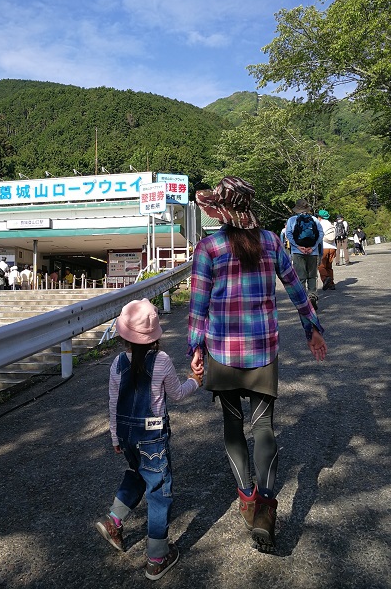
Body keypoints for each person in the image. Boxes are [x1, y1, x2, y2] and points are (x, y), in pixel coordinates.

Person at [188, 176, 327, 555]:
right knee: (263, 426)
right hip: (263, 351)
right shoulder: (270, 242)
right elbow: (297, 288)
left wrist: (194, 349)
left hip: (222, 355)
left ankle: (246, 497)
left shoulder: (209, 247)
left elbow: (198, 308)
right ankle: (266, 506)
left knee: (233, 425)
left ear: (220, 210)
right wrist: (311, 328)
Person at [96, 298, 203, 580]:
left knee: (136, 474)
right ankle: (157, 556)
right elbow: (177, 394)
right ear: (154, 335)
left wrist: (114, 436)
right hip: (152, 435)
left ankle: (114, 520)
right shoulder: (162, 361)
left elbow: (112, 402)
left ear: (123, 335)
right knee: (158, 490)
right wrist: (195, 380)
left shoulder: (117, 363)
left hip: (127, 435)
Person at [285, 199, 323, 310]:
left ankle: (303, 301)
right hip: (313, 252)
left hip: (298, 252)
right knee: (312, 276)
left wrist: (298, 247)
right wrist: (313, 247)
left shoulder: (292, 220)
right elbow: (320, 234)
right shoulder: (314, 219)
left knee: (300, 277)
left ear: (297, 208)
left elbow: (288, 235)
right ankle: (312, 296)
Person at [317, 209, 337, 290]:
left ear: (320, 217)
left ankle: (325, 279)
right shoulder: (331, 224)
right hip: (332, 247)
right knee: (329, 266)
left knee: (321, 266)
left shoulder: (319, 224)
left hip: (323, 247)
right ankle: (331, 284)